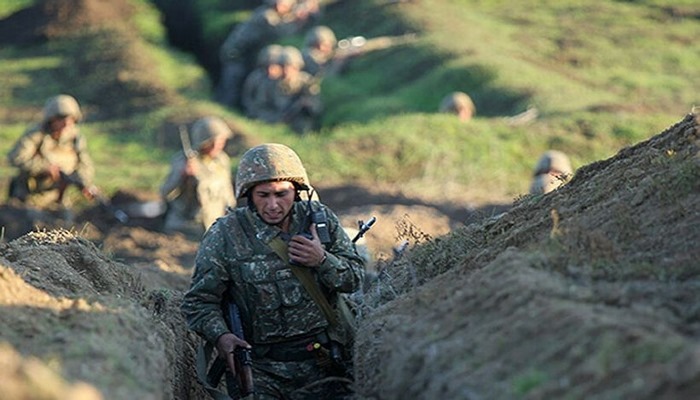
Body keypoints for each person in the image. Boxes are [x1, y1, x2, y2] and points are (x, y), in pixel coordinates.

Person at [181, 143, 365, 399]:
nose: (273, 205)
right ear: (248, 194)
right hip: (261, 371)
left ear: (298, 191)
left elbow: (356, 279)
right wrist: (222, 336)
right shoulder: (225, 234)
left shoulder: (319, 222)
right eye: (263, 195)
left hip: (325, 365)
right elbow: (199, 302)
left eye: (281, 194)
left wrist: (322, 259)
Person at [7, 94, 97, 208]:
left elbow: (85, 165)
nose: (66, 124)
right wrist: (45, 168)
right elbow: (16, 157)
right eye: (61, 119)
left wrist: (85, 183)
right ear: (51, 119)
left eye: (71, 120)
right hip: (28, 199)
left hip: (58, 200)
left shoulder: (75, 139)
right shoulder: (36, 135)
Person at [215, 0, 302, 109]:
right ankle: (223, 107)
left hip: (242, 54)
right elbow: (279, 31)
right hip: (236, 54)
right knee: (232, 85)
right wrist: (298, 21)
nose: (282, 6)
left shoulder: (269, 14)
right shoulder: (266, 16)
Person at [160, 116, 235, 238]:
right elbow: (166, 193)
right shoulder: (183, 161)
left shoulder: (222, 161)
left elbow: (227, 193)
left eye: (220, 141)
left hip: (214, 226)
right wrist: (182, 176)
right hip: (185, 228)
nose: (216, 146)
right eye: (211, 142)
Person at [241, 44, 285, 121]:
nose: (270, 68)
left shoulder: (282, 80)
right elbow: (247, 97)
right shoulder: (256, 77)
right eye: (268, 64)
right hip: (257, 111)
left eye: (274, 64)